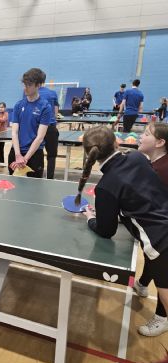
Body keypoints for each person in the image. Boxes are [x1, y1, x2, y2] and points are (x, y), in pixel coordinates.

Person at [76, 126, 168, 337]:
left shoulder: (105, 186)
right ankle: (143, 286)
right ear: (116, 143)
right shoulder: (137, 157)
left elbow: (106, 231)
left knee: (165, 289)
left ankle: (163, 320)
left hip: (160, 240)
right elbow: (138, 190)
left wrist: (91, 218)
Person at [132, 123, 168, 336]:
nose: (141, 136)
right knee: (151, 253)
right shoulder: (155, 164)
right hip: (160, 225)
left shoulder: (161, 171)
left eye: (146, 134)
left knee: (164, 275)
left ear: (160, 142)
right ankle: (143, 283)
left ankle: (162, 318)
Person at [9, 68, 51, 177]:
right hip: (16, 152)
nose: (25, 88)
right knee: (13, 186)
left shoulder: (45, 107)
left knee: (34, 187)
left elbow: (40, 137)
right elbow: (14, 132)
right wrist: (18, 155)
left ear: (38, 85)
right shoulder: (18, 105)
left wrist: (25, 158)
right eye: (24, 84)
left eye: (29, 85)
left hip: (34, 154)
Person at [39, 76, 60, 179]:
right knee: (51, 155)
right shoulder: (52, 93)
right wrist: (53, 121)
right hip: (50, 127)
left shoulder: (31, 93)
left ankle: (37, 177)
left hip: (37, 127)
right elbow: (55, 111)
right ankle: (50, 178)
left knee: (37, 153)